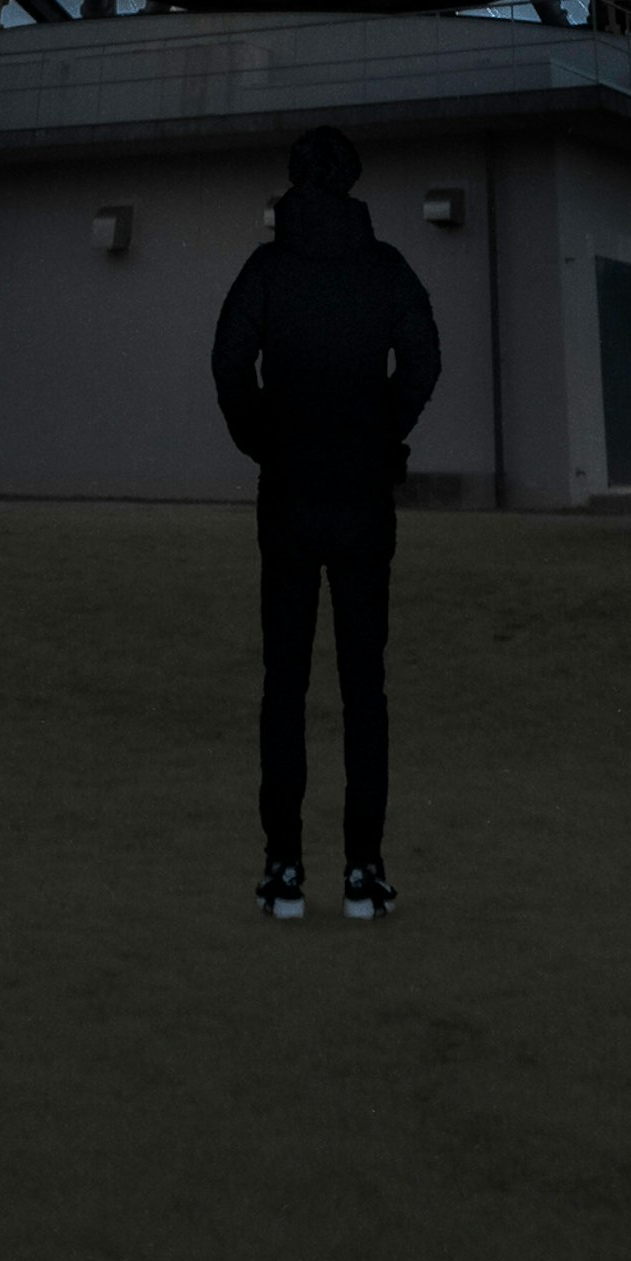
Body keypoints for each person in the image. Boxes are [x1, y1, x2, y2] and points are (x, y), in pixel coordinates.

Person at [209, 124, 442, 923]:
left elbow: (229, 361)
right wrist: (385, 430)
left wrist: (264, 439)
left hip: (291, 498)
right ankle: (364, 870)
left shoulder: (268, 270)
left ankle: (282, 867)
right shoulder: (385, 270)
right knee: (363, 688)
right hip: (362, 499)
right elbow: (425, 358)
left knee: (286, 683)